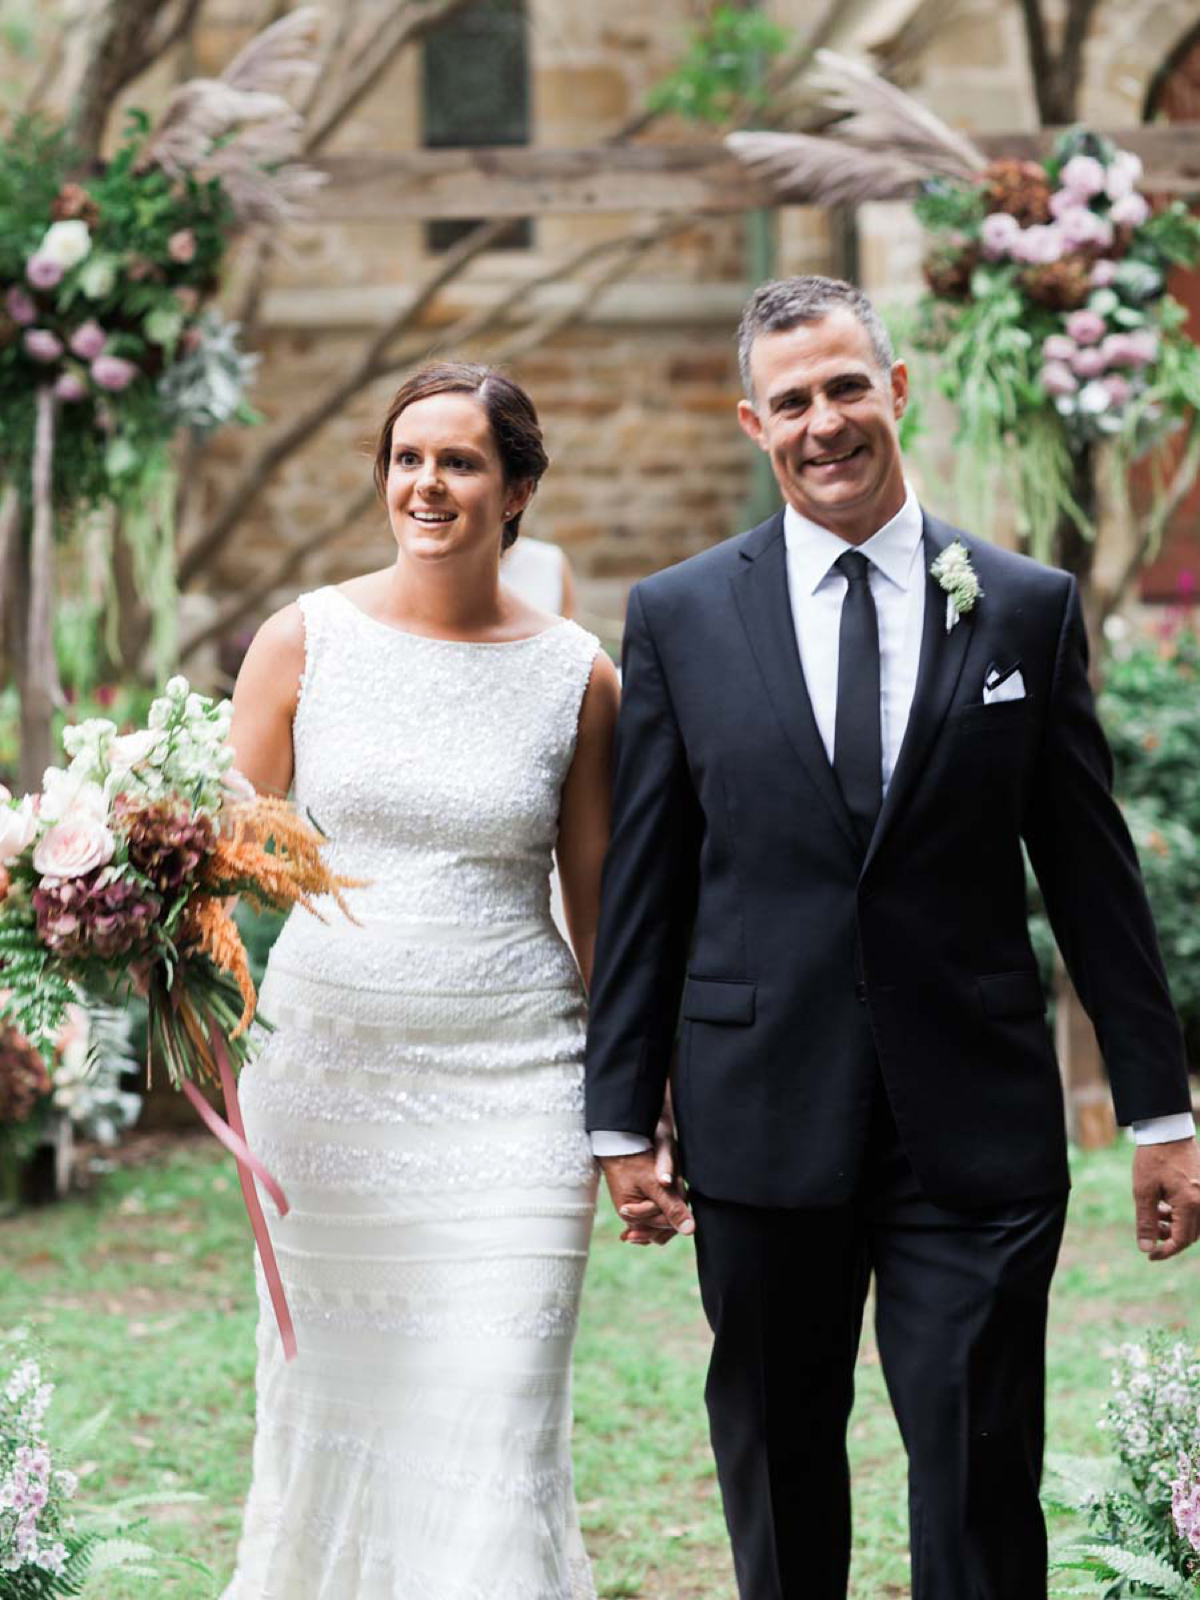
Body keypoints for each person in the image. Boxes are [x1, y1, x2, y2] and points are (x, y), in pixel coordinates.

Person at [583, 276, 1200, 1599]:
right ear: (755, 423)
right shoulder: (681, 618)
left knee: (980, 1480)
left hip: (971, 1126)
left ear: (898, 390)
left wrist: (1160, 1115)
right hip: (759, 1112)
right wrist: (619, 1117)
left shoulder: (1024, 606)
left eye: (847, 386)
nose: (825, 422)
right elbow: (649, 882)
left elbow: (1092, 879)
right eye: (793, 400)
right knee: (776, 1467)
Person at [221, 361, 619, 1599]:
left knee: (499, 1405)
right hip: (329, 1087)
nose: (426, 484)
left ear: (518, 490)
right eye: (406, 458)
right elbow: (220, 855)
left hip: (517, 1089)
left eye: (458, 461)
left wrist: (634, 1100)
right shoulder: (302, 640)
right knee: (341, 1406)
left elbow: (599, 901)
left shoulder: (579, 676)